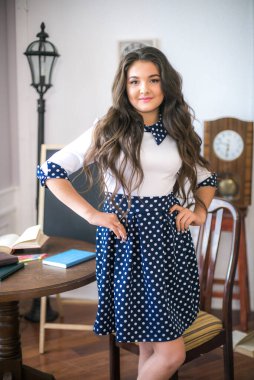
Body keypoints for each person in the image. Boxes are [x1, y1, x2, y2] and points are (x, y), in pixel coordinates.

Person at [37, 46, 217, 380]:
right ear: (125, 87)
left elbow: (207, 177)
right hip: (127, 241)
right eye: (134, 81)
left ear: (167, 85)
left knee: (154, 345)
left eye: (153, 80)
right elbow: (50, 172)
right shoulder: (108, 128)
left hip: (167, 243)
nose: (144, 89)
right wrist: (92, 215)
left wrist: (200, 210)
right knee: (171, 352)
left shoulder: (179, 129)